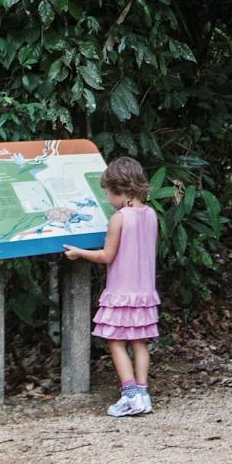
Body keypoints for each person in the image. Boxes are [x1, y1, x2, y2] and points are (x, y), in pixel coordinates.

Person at [63, 156, 160, 417]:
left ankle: (129, 396)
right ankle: (143, 393)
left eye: (107, 192)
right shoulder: (151, 214)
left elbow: (107, 255)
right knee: (140, 343)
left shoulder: (119, 218)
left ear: (119, 190)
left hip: (121, 291)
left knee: (115, 341)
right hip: (144, 292)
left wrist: (79, 253)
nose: (107, 199)